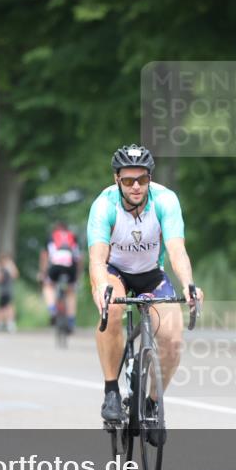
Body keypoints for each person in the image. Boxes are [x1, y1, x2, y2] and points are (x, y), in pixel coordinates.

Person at [87, 144, 203, 436]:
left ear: (150, 178)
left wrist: (189, 284)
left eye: (142, 179)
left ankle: (152, 404)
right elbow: (97, 259)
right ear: (117, 179)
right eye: (128, 180)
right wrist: (101, 287)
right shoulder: (104, 205)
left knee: (173, 340)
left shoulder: (165, 200)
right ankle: (111, 391)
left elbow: (177, 251)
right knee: (112, 309)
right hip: (115, 273)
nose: (136, 186)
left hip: (151, 274)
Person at [39, 221, 82, 332]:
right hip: (70, 266)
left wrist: (43, 273)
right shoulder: (73, 237)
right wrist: (77, 276)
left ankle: (52, 310)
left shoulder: (51, 237)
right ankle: (71, 321)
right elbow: (79, 258)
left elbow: (44, 256)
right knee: (70, 292)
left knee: (48, 286)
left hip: (55, 265)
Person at [0, 253, 19, 332]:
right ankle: (0, 324)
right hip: (2, 292)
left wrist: (11, 266)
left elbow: (15, 275)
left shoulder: (9, 268)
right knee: (2, 308)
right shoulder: (0, 268)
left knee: (9, 307)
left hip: (9, 291)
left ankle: (9, 323)